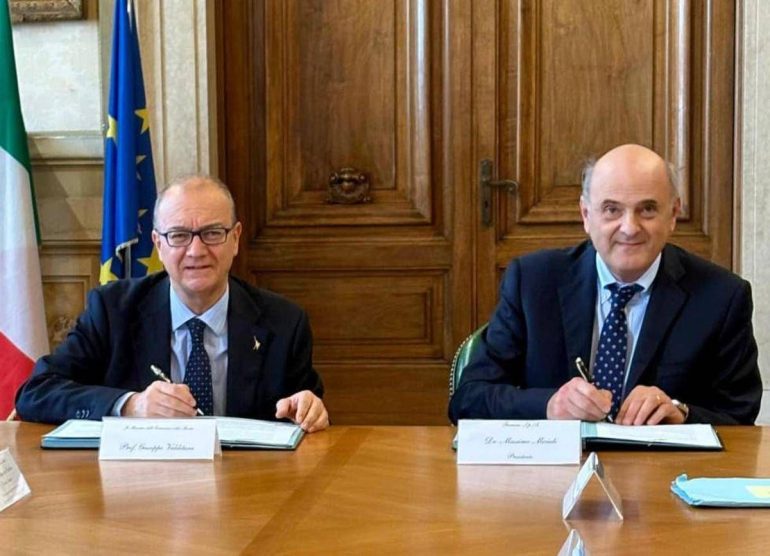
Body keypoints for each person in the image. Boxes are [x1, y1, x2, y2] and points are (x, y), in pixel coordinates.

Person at [449, 144, 761, 426]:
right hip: (555, 467)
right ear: (586, 215)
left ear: (673, 214)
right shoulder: (532, 282)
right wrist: (549, 405)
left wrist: (681, 412)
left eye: (647, 209)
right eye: (612, 209)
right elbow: (469, 399)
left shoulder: (722, 297)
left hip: (662, 468)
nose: (630, 228)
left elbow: (739, 413)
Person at [16, 175, 329, 432]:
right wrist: (131, 405)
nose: (196, 251)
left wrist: (309, 410)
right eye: (179, 235)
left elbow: (304, 410)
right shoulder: (112, 311)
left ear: (235, 238)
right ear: (158, 244)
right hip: (139, 482)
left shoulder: (284, 322)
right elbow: (36, 392)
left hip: (247, 482)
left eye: (212, 233)